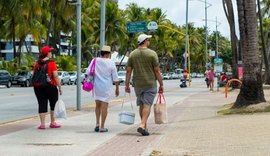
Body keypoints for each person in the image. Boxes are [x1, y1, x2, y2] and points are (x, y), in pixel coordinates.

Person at [125, 34, 164, 136]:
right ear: (145, 41)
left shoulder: (132, 54)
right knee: (147, 105)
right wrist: (161, 84)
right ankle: (142, 125)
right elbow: (157, 71)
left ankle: (145, 127)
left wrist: (126, 85)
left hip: (137, 84)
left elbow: (128, 71)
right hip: (150, 83)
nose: (149, 41)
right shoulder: (152, 54)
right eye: (148, 39)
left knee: (141, 104)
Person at [87, 45, 119, 133]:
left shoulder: (95, 60)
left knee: (97, 105)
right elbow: (115, 77)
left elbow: (88, 71)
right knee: (105, 106)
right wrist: (117, 88)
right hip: (106, 87)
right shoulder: (111, 62)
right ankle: (102, 126)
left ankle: (97, 124)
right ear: (108, 53)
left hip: (96, 86)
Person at [33, 46, 62, 129]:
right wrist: (59, 86)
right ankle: (52, 122)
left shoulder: (37, 63)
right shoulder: (51, 63)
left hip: (38, 87)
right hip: (50, 86)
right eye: (50, 51)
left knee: (42, 103)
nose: (51, 53)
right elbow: (55, 76)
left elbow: (35, 75)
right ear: (47, 53)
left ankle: (42, 124)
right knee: (53, 104)